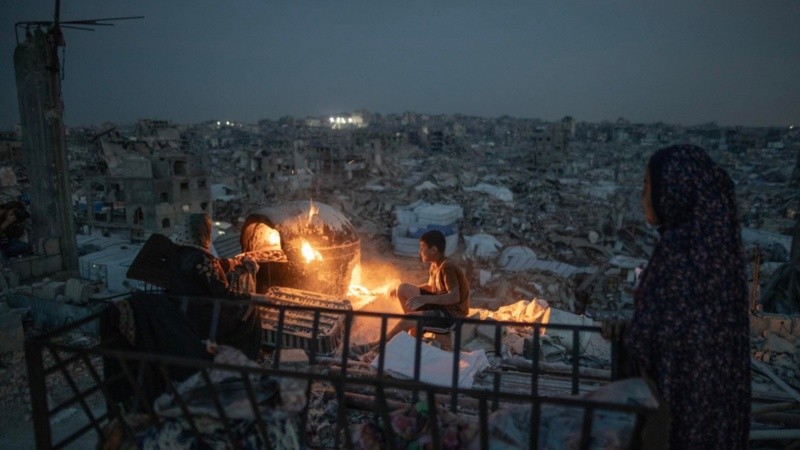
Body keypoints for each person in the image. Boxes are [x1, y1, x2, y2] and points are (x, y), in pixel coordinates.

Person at [605, 145, 750, 449]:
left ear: (673, 191)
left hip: (676, 405)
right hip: (713, 404)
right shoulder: (717, 249)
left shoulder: (679, 252)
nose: (643, 196)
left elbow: (661, 335)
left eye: (648, 186)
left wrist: (627, 335)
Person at [167, 213, 263, 359]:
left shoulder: (178, 255)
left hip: (183, 313)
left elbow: (214, 267)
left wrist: (236, 262)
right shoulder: (201, 259)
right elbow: (223, 294)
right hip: (205, 319)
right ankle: (247, 356)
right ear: (202, 232)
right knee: (251, 309)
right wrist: (250, 296)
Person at [384, 229, 470, 343]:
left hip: (452, 316)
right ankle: (415, 332)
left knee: (406, 320)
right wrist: (401, 290)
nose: (420, 251)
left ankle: (376, 346)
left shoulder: (447, 267)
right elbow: (430, 287)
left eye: (422, 247)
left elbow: (454, 297)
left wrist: (423, 298)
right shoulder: (435, 266)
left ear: (434, 249)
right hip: (441, 308)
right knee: (402, 288)